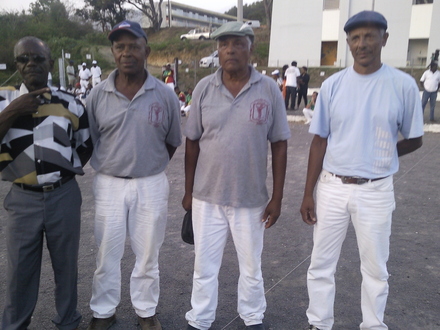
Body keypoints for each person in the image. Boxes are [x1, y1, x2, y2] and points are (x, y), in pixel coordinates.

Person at [299, 11, 424, 330]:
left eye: (370, 36)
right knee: (321, 263)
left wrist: (383, 154)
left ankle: (373, 325)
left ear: (384, 39)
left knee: (375, 268)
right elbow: (319, 141)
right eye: (355, 38)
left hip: (376, 190)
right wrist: (308, 193)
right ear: (348, 43)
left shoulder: (403, 85)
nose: (362, 43)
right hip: (332, 187)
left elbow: (415, 137)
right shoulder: (333, 86)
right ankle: (318, 322)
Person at [182, 21, 290, 330]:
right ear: (217, 50)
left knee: (251, 266)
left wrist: (277, 198)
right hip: (206, 197)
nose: (230, 49)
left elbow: (280, 144)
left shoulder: (268, 88)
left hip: (251, 199)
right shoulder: (204, 88)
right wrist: (188, 192)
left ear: (250, 47)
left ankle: (253, 317)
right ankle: (200, 319)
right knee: (204, 266)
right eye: (224, 43)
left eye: (238, 43)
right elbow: (192, 143)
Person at [85, 20, 182, 330]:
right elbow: (91, 139)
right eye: (119, 47)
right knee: (106, 253)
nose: (126, 53)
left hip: (151, 184)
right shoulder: (98, 94)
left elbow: (171, 141)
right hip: (109, 185)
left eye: (133, 46)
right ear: (113, 52)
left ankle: (145, 311)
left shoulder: (164, 95)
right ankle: (104, 311)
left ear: (147, 51)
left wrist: (146, 166)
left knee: (148, 253)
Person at [0, 36, 93, 330]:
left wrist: (60, 169)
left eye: (38, 58)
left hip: (63, 196)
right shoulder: (4, 102)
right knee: (19, 271)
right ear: (16, 64)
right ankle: (15, 325)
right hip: (21, 199)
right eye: (23, 59)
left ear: (50, 64)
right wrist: (16, 109)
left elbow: (84, 145)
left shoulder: (70, 102)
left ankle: (68, 322)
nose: (30, 64)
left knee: (66, 268)